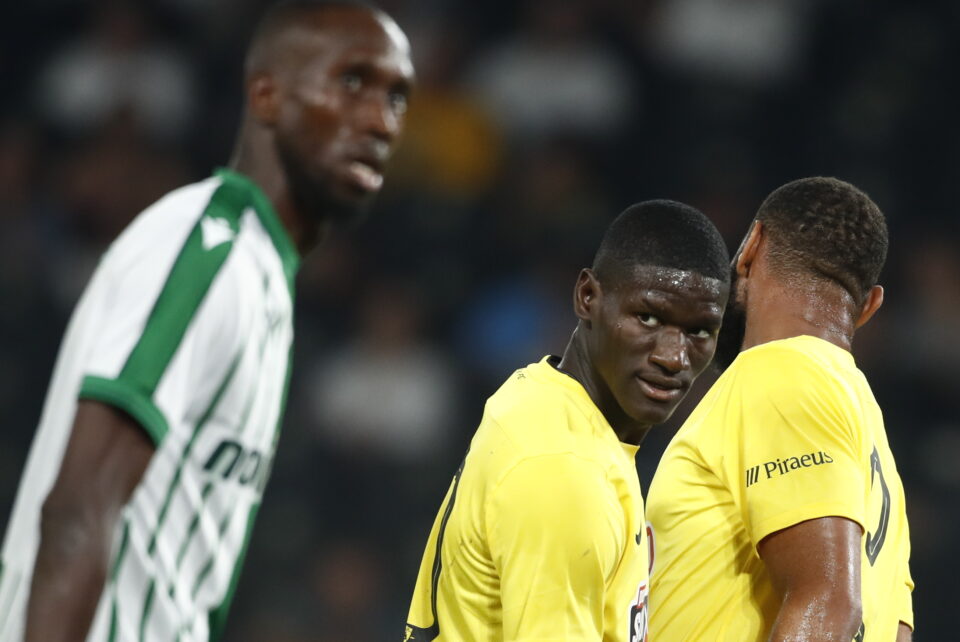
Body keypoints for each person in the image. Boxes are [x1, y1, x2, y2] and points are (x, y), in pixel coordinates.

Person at [0, 1, 414, 640]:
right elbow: (79, 509)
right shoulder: (207, 250)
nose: (380, 120)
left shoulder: (262, 278)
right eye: (352, 81)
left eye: (397, 97)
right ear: (267, 95)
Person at [404, 200, 731, 642]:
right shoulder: (565, 469)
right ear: (587, 297)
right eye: (648, 317)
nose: (673, 357)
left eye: (699, 331)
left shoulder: (542, 396)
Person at [645, 177, 913, 641]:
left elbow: (829, 602)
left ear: (751, 245)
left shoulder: (780, 373)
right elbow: (897, 631)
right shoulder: (874, 440)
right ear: (869, 306)